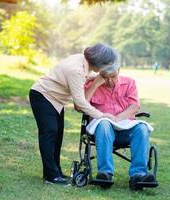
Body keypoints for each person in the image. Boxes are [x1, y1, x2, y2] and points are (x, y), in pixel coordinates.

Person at [29, 43, 120, 186]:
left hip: (55, 100)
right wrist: (101, 115)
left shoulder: (81, 61)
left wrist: (94, 77)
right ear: (99, 62)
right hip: (43, 96)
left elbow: (84, 76)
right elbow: (80, 102)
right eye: (107, 64)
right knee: (49, 134)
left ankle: (56, 172)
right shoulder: (75, 69)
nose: (107, 67)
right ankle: (50, 176)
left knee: (57, 136)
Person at [84, 63, 156, 190]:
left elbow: (134, 106)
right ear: (100, 73)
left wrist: (117, 118)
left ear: (119, 70)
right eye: (106, 77)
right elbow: (79, 106)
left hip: (125, 128)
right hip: (102, 132)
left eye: (113, 76)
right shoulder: (92, 84)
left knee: (142, 128)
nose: (110, 81)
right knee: (105, 123)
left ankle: (138, 175)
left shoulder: (129, 83)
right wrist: (95, 84)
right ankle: (105, 173)